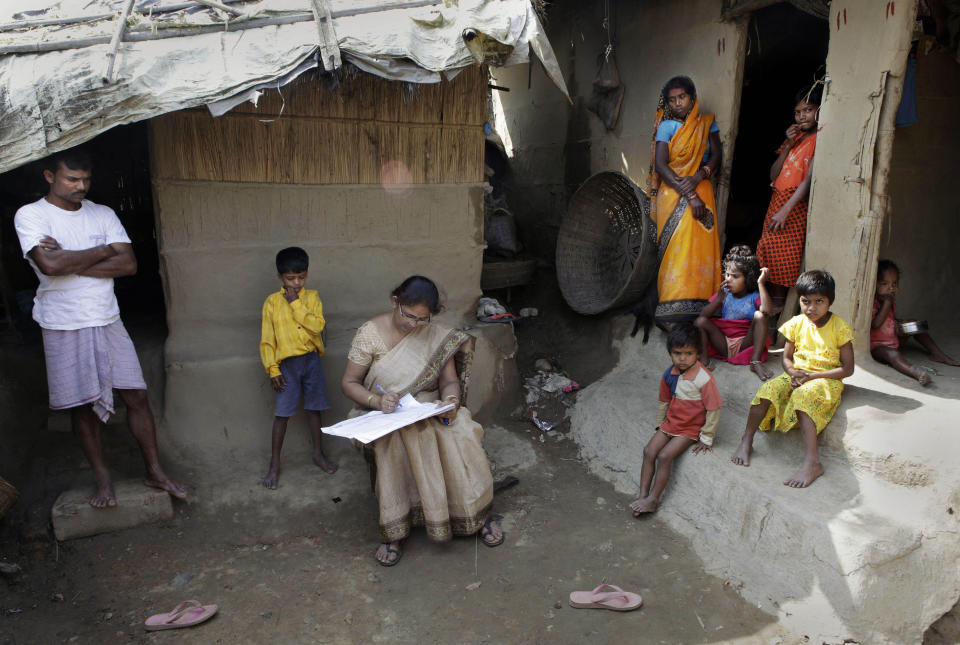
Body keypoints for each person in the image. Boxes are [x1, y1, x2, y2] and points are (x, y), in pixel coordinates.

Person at [13, 150, 186, 508]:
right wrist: (102, 250)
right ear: (49, 176)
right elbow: (48, 264)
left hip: (107, 317)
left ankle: (154, 470)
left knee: (136, 396)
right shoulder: (31, 215)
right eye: (71, 179)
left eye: (85, 180)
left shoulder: (102, 213)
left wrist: (70, 259)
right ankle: (102, 478)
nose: (80, 187)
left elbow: (128, 265)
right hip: (63, 321)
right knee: (82, 406)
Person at [340, 276, 503, 566]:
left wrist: (451, 403)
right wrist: (376, 401)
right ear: (395, 302)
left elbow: (450, 382)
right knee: (394, 443)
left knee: (461, 433)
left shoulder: (434, 335)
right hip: (384, 411)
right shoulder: (370, 334)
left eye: (422, 319)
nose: (414, 325)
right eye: (408, 316)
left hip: (429, 407)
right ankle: (395, 529)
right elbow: (350, 383)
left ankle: (478, 514)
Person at [730, 270, 854, 488]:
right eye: (805, 301)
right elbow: (786, 359)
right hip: (799, 375)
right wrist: (792, 372)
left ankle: (813, 462)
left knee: (804, 399)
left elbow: (848, 369)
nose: (811, 308)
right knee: (767, 390)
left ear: (830, 302)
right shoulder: (796, 323)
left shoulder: (840, 328)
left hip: (826, 379)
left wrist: (814, 376)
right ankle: (747, 440)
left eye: (819, 301)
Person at [259, 246, 338, 489]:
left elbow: (316, 327)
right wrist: (273, 369)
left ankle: (317, 453)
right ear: (280, 278)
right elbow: (267, 340)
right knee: (282, 414)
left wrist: (296, 304)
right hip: (286, 366)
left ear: (307, 274)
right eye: (290, 278)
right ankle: (275, 464)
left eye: (301, 277)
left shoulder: (312, 298)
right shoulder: (271, 303)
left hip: (311, 361)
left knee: (315, 409)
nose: (296, 283)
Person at [648, 75, 723, 323]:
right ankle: (671, 310)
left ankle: (703, 308)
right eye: (672, 100)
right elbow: (660, 165)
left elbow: (716, 156)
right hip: (673, 193)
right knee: (675, 252)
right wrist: (689, 191)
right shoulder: (666, 127)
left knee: (699, 251)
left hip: (703, 189)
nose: (678, 103)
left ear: (692, 97)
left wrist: (700, 175)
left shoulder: (706, 123)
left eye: (682, 97)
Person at [629, 324, 722, 515]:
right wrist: (660, 424)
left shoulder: (704, 378)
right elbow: (664, 400)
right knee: (649, 451)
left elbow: (714, 409)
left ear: (698, 353)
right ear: (670, 353)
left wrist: (706, 437)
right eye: (677, 353)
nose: (682, 358)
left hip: (690, 429)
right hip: (671, 424)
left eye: (688, 353)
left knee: (664, 456)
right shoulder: (669, 374)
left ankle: (653, 500)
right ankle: (643, 495)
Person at [756, 85, 821, 311]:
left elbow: (808, 180)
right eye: (798, 112)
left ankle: (775, 318)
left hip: (794, 206)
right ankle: (769, 314)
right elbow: (773, 175)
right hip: (777, 200)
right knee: (769, 256)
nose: (802, 116)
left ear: (820, 110)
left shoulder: (821, 138)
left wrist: (786, 210)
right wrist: (788, 145)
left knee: (785, 262)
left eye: (808, 109)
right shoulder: (796, 137)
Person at [870, 259, 957, 385]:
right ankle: (916, 373)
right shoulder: (874, 302)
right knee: (893, 355)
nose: (891, 288)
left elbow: (888, 322)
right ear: (875, 285)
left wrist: (899, 324)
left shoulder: (890, 302)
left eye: (895, 283)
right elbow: (876, 324)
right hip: (878, 347)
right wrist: (887, 304)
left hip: (893, 340)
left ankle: (937, 354)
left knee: (915, 326)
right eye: (885, 283)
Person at [694, 245, 774, 380]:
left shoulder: (754, 296)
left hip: (745, 342)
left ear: (748, 278)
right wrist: (718, 299)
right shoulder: (724, 294)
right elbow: (703, 316)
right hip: (723, 343)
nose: (729, 279)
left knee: (759, 315)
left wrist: (761, 283)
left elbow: (767, 311)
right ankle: (704, 361)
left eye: (735, 276)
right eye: (727, 274)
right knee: (700, 322)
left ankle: (755, 362)